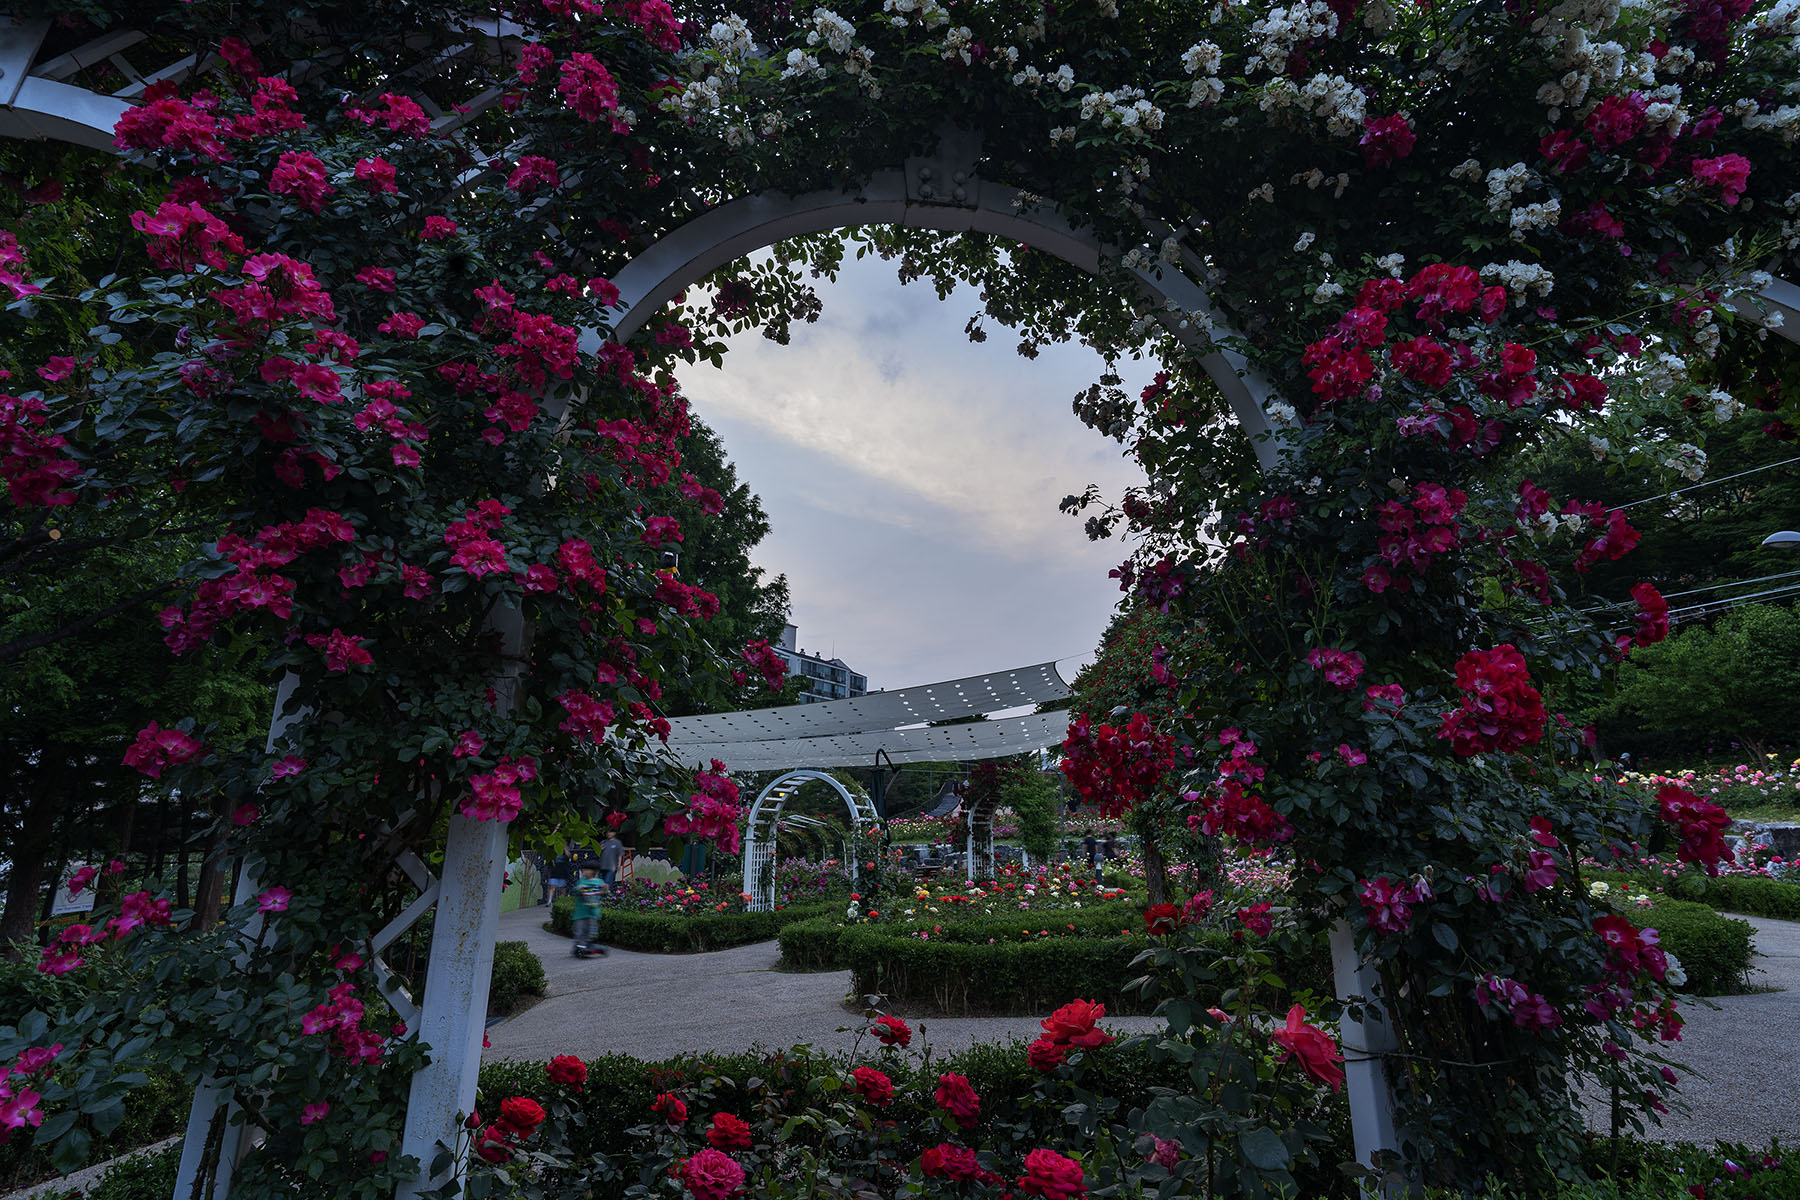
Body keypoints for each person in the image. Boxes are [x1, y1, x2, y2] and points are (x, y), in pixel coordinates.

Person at [569, 864, 607, 958]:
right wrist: (580, 889)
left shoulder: (599, 882)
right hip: (581, 913)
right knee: (580, 930)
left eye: (586, 870)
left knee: (591, 932)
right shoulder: (581, 882)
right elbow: (576, 890)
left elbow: (603, 894)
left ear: (593, 871)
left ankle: (588, 945)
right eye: (583, 870)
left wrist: (605, 889)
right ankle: (579, 947)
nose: (584, 872)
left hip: (593, 913)